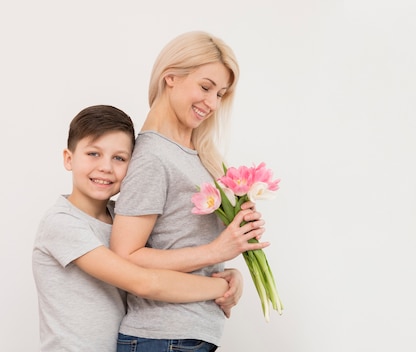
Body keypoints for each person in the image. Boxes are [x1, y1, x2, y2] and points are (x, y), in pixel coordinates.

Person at [109, 31, 268, 352]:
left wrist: (228, 276)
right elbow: (125, 256)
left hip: (186, 335)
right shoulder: (153, 156)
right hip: (162, 335)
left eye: (221, 93)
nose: (212, 103)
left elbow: (183, 243)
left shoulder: (199, 155)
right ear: (171, 77)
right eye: (206, 87)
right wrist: (218, 252)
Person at [32, 105, 232, 352]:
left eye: (119, 158)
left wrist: (232, 275)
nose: (106, 167)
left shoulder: (121, 219)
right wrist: (222, 286)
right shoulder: (62, 223)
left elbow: (163, 261)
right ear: (69, 159)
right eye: (93, 153)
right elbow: (144, 282)